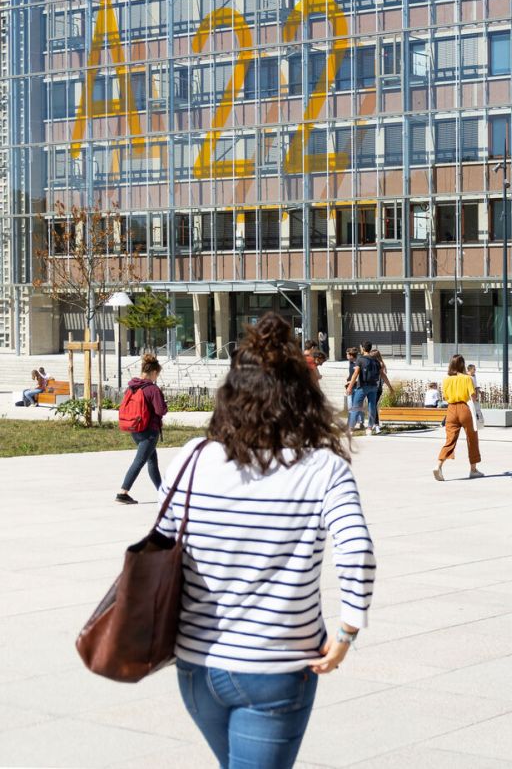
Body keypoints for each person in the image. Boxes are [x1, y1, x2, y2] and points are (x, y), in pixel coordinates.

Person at [161, 312, 374, 768]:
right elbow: (356, 549)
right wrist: (348, 629)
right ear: (304, 399)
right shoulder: (323, 468)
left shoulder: (191, 459)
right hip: (277, 665)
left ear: (231, 397)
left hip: (197, 663)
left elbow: (161, 544)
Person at [115, 354, 168, 504]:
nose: (157, 377)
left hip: (135, 428)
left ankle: (163, 492)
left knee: (152, 462)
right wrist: (165, 406)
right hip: (149, 431)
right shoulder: (152, 389)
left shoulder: (132, 386)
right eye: (157, 374)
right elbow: (160, 411)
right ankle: (122, 493)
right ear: (153, 372)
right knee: (139, 461)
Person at [433, 355, 484, 482]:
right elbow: (473, 396)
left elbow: (445, 396)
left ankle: (438, 465)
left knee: (450, 440)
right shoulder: (467, 378)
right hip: (465, 408)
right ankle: (473, 469)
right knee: (472, 438)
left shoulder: (446, 380)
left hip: (451, 410)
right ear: (462, 365)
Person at [346, 343, 388, 434]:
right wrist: (390, 387)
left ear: (363, 348)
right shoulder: (376, 361)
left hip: (362, 387)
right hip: (374, 387)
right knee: (372, 407)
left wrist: (349, 387)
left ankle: (351, 429)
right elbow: (383, 374)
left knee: (356, 407)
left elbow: (356, 373)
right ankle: (369, 428)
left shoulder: (360, 359)